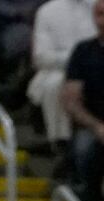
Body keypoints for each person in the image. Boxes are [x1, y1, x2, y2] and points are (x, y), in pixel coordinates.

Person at [29, 0, 95, 153]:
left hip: (96, 66)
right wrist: (77, 60)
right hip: (57, 70)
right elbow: (40, 56)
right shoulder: (47, 11)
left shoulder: (98, 7)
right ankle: (62, 143)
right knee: (56, 84)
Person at [63, 0, 104, 201]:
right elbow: (71, 100)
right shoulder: (83, 51)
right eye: (99, 14)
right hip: (91, 125)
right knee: (84, 148)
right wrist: (96, 126)